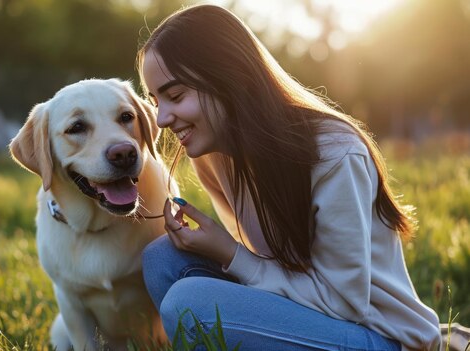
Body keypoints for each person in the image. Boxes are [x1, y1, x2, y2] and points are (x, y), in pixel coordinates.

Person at [137, 4, 441, 351]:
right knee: (162, 259)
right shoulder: (214, 156)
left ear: (229, 78)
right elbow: (268, 267)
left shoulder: (334, 154)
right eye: (155, 99)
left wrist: (230, 254)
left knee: (189, 305)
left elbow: (344, 303)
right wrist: (229, 254)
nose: (161, 119)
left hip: (378, 336)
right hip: (311, 319)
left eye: (175, 96)